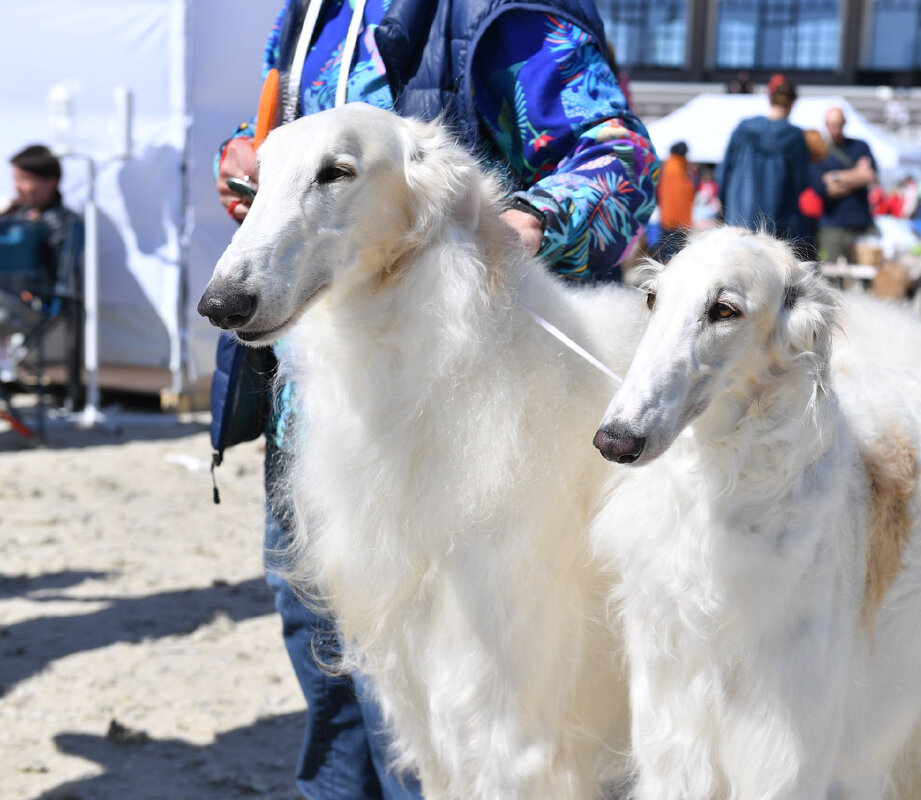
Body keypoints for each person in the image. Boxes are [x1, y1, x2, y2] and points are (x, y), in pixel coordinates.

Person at [213, 2, 659, 798]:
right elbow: (288, 134)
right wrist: (249, 166)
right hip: (320, 421)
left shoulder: (504, 12)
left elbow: (619, 159)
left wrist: (521, 224)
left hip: (476, 441)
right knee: (329, 666)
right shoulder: (310, 11)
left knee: (459, 726)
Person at [0, 145, 83, 408]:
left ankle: (72, 395)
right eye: (15, 179)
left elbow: (62, 275)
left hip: (31, 302)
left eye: (25, 180)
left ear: (51, 182)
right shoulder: (17, 214)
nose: (18, 187)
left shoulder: (65, 221)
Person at [717, 76, 812, 254]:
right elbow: (801, 181)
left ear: (770, 99)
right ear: (792, 104)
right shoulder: (794, 137)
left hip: (737, 220)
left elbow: (723, 174)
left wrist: (723, 207)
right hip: (777, 224)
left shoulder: (743, 129)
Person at [810, 106, 877, 262]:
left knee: (866, 273)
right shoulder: (820, 152)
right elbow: (824, 189)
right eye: (831, 125)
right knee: (831, 275)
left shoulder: (860, 146)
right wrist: (857, 176)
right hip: (833, 225)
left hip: (861, 223)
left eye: (838, 125)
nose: (834, 130)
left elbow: (869, 175)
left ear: (844, 123)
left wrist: (835, 176)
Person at [654, 141, 698, 261]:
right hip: (681, 218)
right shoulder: (684, 170)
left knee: (667, 248)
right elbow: (691, 190)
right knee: (677, 250)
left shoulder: (665, 167)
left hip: (667, 216)